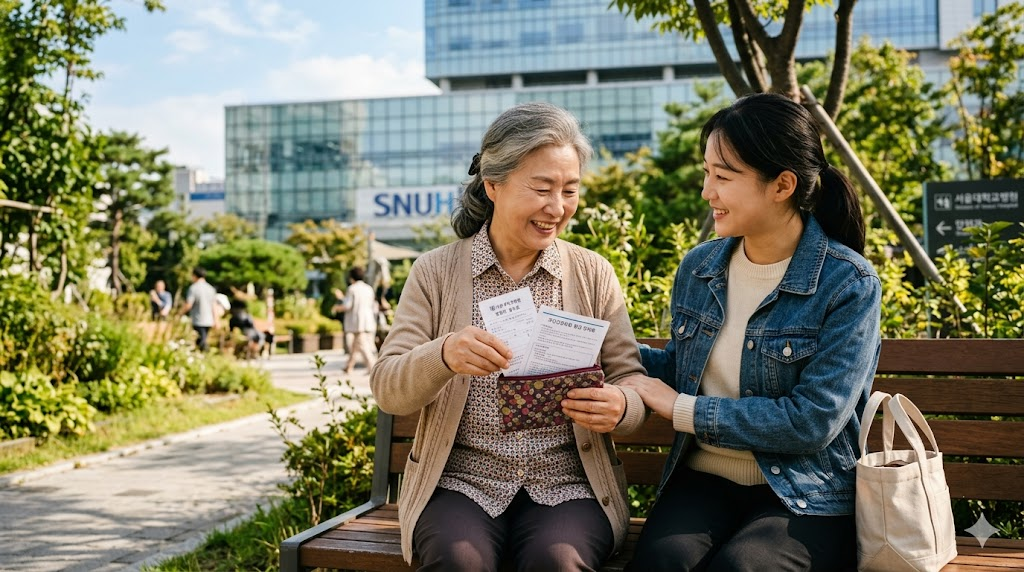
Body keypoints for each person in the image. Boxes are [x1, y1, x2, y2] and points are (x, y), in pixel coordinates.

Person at [369, 101, 648, 571]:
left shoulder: (591, 274)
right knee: (460, 562)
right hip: (460, 482)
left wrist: (621, 406)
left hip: (568, 484)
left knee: (556, 563)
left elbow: (633, 381)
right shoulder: (435, 272)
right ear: (493, 185)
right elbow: (388, 387)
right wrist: (443, 355)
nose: (556, 208)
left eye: (570, 190)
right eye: (541, 188)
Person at [620, 93, 882, 571]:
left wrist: (680, 409)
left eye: (723, 177)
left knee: (744, 568)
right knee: (661, 563)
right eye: (706, 173)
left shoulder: (849, 283)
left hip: (806, 492)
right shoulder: (699, 267)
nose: (707, 191)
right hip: (704, 480)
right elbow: (684, 369)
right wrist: (605, 349)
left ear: (782, 185)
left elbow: (813, 421)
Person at [337, 266, 378, 375]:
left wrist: (338, 304)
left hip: (356, 321)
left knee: (362, 345)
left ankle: (373, 368)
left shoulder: (352, 289)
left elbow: (348, 305)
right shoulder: (369, 288)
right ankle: (348, 366)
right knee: (356, 345)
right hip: (368, 319)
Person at [179, 266, 219, 352]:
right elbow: (214, 306)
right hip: (209, 320)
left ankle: (205, 356)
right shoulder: (210, 289)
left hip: (198, 319)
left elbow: (188, 304)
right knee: (201, 340)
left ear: (194, 275)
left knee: (201, 341)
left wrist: (179, 313)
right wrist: (216, 320)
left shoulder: (193, 288)